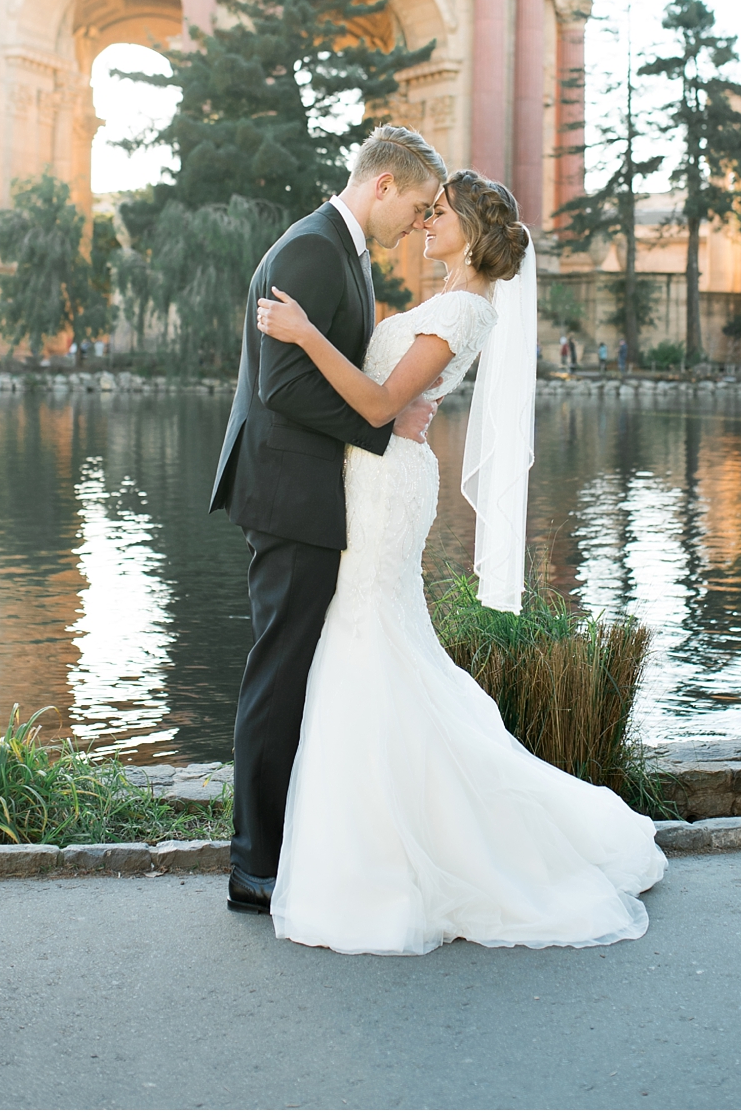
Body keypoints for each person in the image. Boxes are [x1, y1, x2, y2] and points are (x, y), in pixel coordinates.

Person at [254, 168, 665, 953]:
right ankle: (380, 839)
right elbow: (384, 395)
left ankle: (384, 859)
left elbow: (377, 407)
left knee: (366, 640)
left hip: (386, 485)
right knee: (382, 646)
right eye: (426, 211)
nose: (424, 225)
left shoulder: (467, 309)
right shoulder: (443, 303)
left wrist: (305, 334)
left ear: (472, 232)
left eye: (437, 215)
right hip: (371, 477)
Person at [211, 126, 448, 916]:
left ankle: (283, 846)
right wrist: (384, 427)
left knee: (295, 669)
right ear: (382, 184)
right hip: (286, 490)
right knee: (278, 673)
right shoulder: (313, 249)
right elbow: (283, 387)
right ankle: (253, 865)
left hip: (307, 488)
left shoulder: (344, 251)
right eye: (416, 206)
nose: (418, 223)